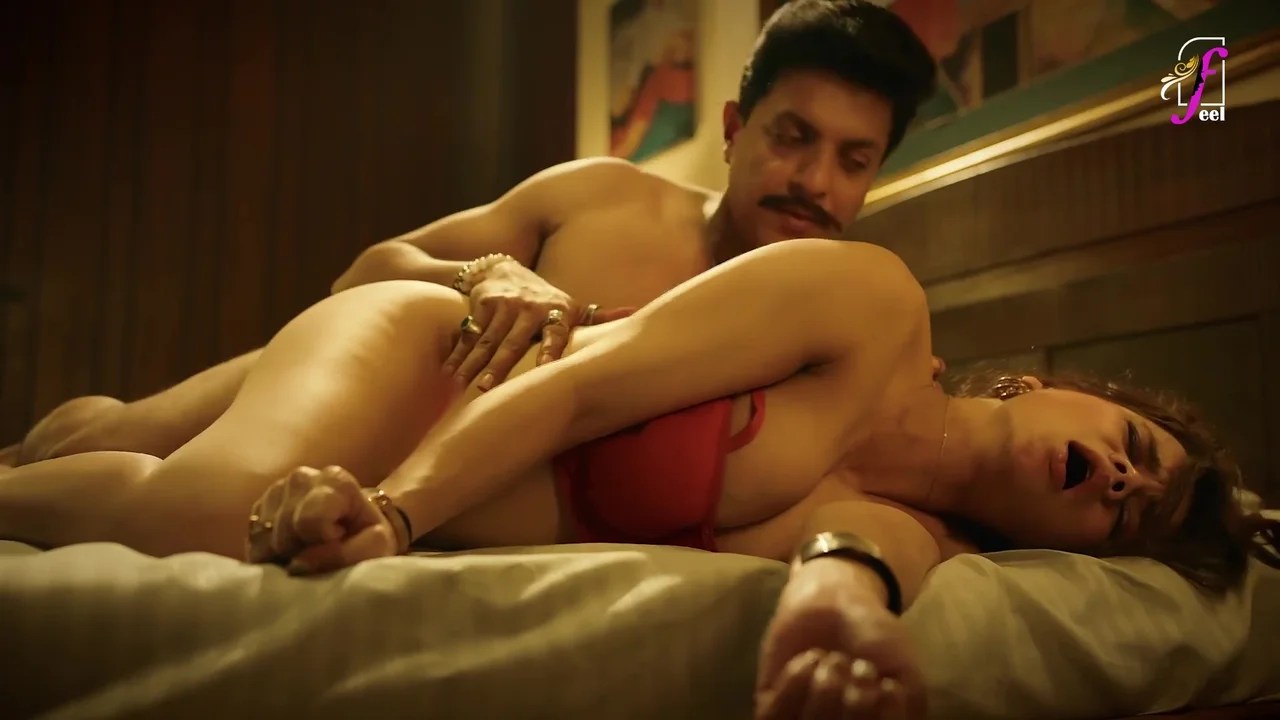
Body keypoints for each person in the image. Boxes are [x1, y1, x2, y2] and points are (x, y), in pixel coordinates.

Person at [2, 239, 1277, 720]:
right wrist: (393, 514)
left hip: (409, 480)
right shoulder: (871, 303)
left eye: (1131, 513)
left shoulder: (913, 535)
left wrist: (833, 618)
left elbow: (851, 571)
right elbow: (584, 390)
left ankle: (87, 430)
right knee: (201, 516)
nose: (1119, 478)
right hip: (444, 366)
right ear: (1040, 387)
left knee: (142, 461)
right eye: (1133, 445)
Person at [7, 0, 941, 467]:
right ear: (735, 129)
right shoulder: (602, 197)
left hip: (403, 484)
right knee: (103, 441)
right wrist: (488, 273)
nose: (815, 181)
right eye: (792, 137)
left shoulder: (844, 335)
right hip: (322, 393)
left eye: (853, 159)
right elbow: (361, 275)